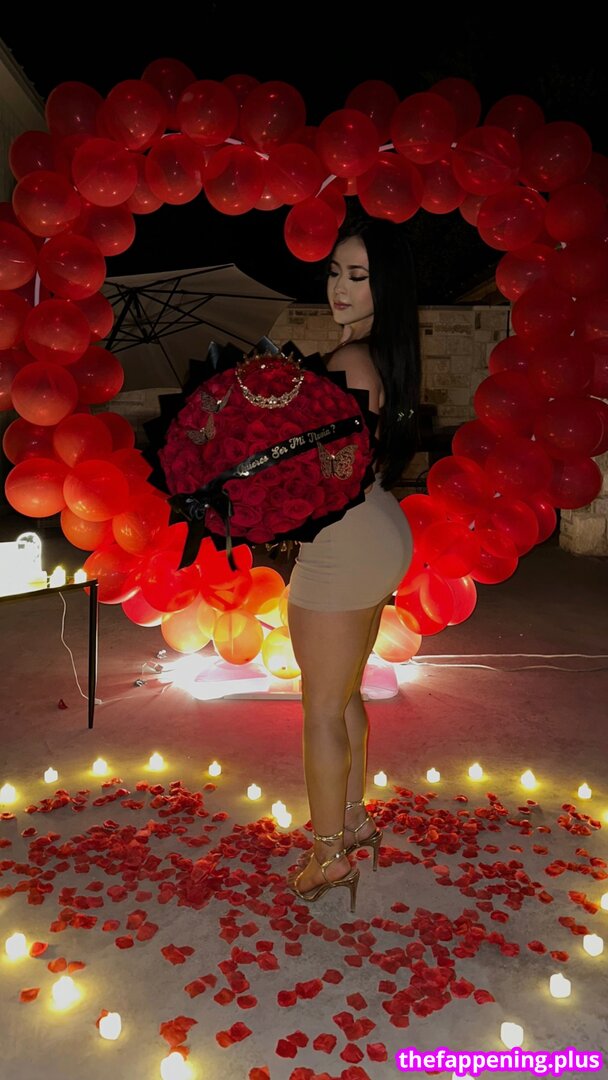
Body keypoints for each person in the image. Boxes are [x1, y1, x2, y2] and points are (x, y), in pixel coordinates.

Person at [286, 214, 421, 911]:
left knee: (320, 708)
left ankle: (328, 855)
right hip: (377, 526)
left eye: (358, 276)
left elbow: (325, 473)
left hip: (344, 540)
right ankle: (354, 819)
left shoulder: (349, 362)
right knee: (344, 695)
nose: (340, 287)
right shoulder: (377, 355)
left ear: (383, 287)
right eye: (336, 272)